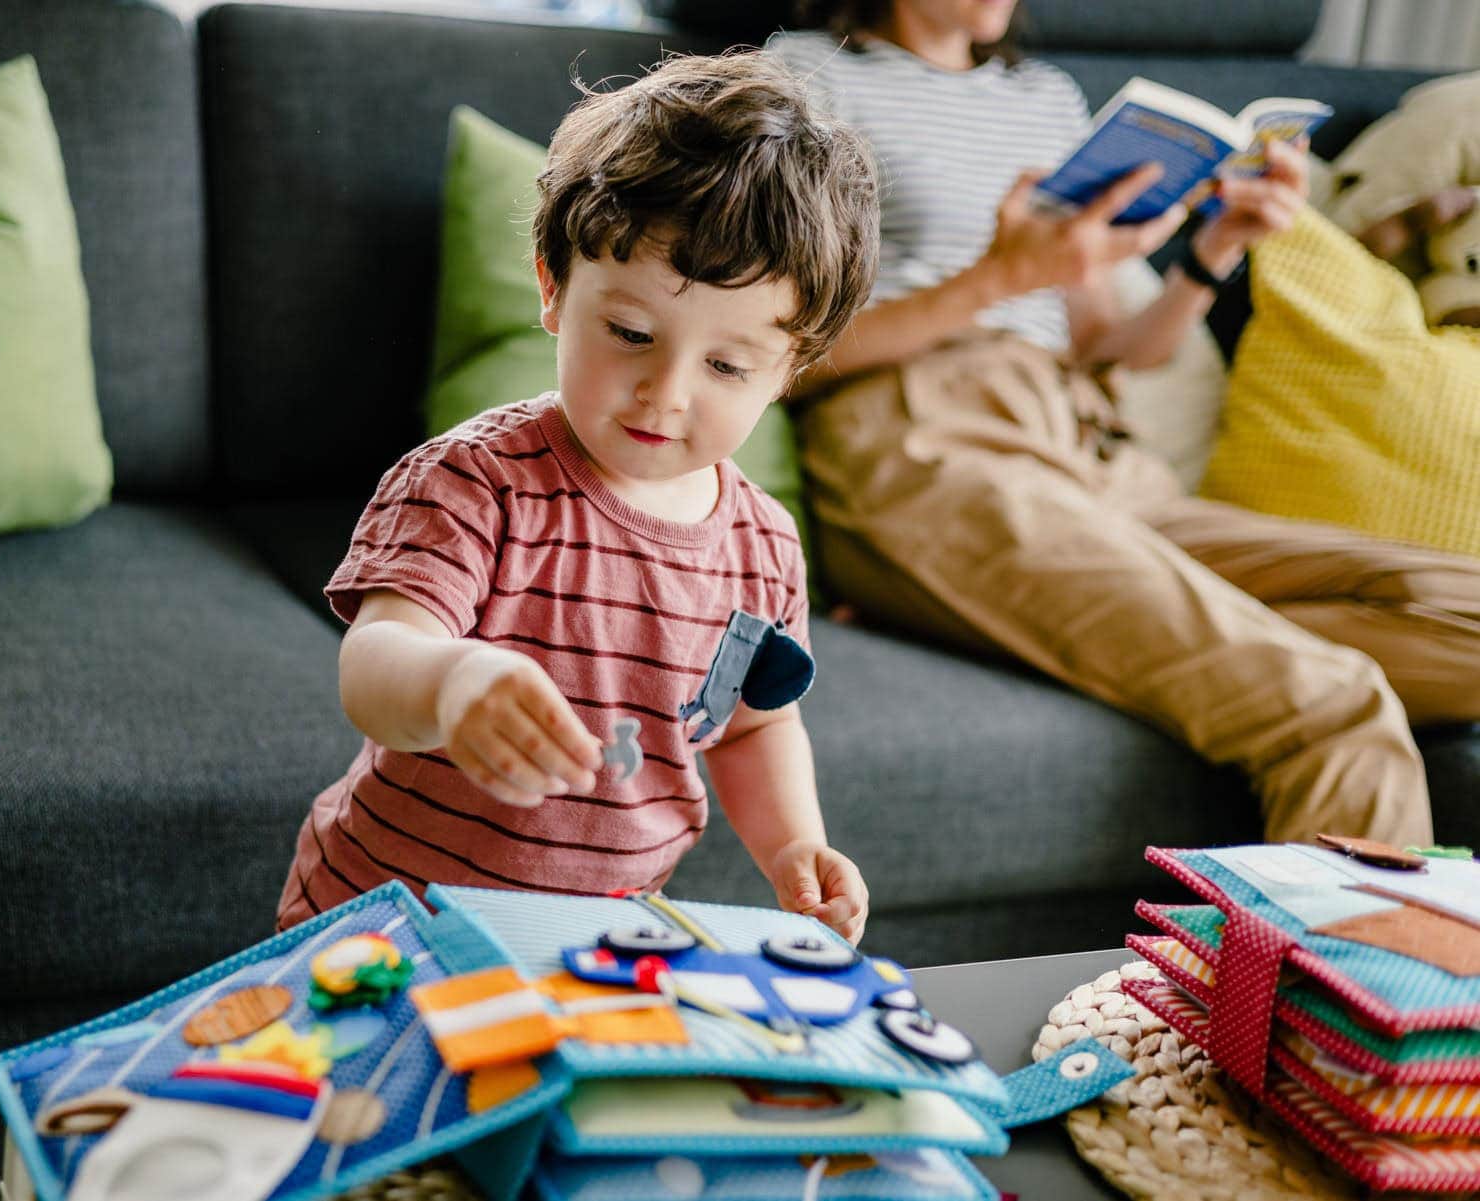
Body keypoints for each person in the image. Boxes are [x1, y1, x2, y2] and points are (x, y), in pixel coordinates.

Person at [768, 0, 1480, 847]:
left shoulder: (1044, 97)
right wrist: (997, 279)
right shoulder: (807, 79)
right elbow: (770, 352)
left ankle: (1131, 644)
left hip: (1092, 444)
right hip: (929, 436)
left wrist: (1213, 256)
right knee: (1335, 703)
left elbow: (1109, 343)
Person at [277, 52, 884, 940]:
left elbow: (754, 729)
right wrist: (451, 683)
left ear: (789, 369)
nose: (666, 393)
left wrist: (795, 843)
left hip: (586, 950)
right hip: (388, 926)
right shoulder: (475, 481)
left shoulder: (763, 547)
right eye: (631, 332)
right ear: (553, 288)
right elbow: (372, 664)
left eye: (726, 366)